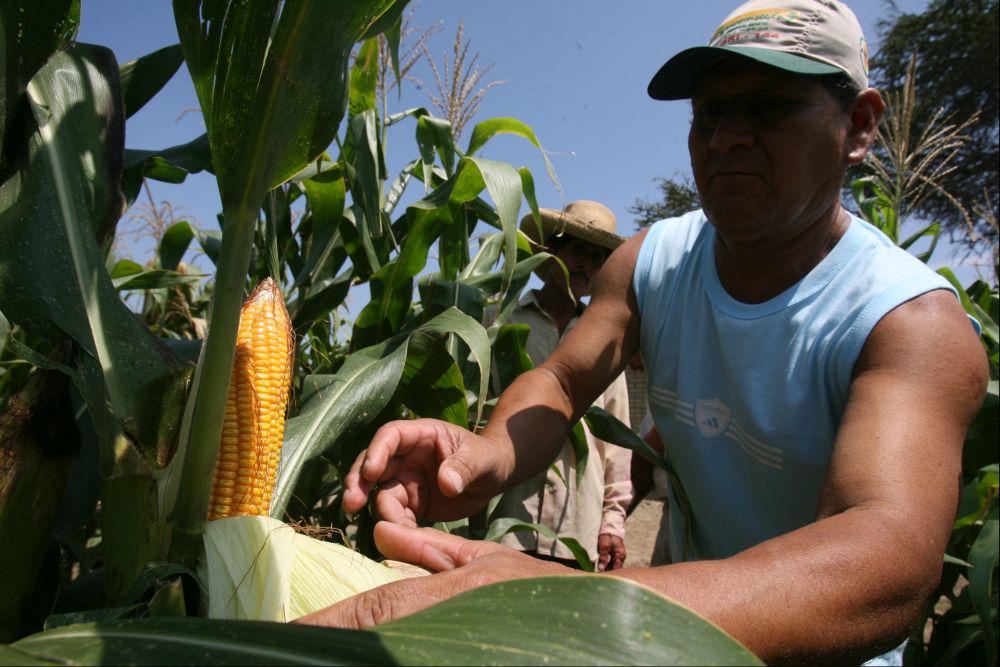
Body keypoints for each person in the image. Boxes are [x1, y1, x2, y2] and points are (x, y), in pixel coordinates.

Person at [298, 1, 989, 663]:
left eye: (768, 108)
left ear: (860, 127)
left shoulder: (908, 322)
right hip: (666, 630)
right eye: (710, 114)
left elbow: (883, 558)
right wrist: (484, 456)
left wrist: (575, 604)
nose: (725, 138)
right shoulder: (651, 261)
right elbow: (564, 379)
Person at [490, 201, 632, 572]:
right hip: (502, 520)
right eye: (578, 250)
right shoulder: (499, 321)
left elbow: (617, 441)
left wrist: (612, 523)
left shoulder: (608, 341)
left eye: (598, 256)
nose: (586, 263)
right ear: (550, 252)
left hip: (575, 531)